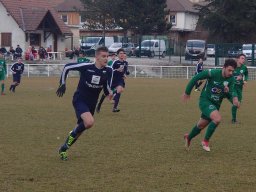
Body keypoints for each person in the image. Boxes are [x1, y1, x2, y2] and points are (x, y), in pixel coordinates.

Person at [57, 46, 113, 161]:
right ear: (96, 57)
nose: (106, 58)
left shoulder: (108, 70)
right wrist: (62, 83)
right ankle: (70, 136)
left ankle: (64, 148)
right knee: (89, 122)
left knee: (80, 130)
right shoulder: (86, 67)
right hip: (80, 99)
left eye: (107, 56)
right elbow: (67, 67)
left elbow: (106, 86)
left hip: (92, 103)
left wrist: (109, 94)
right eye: (103, 56)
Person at [182, 59, 239, 152]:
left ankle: (188, 137)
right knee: (217, 119)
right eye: (229, 70)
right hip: (205, 101)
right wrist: (187, 92)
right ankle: (205, 141)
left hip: (216, 105)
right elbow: (196, 78)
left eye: (233, 71)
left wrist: (234, 99)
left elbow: (230, 93)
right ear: (223, 67)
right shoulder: (212, 73)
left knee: (200, 126)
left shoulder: (231, 79)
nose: (231, 73)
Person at [96, 48, 129, 113]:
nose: (122, 55)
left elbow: (124, 70)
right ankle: (99, 105)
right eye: (120, 53)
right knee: (106, 93)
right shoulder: (115, 62)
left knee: (119, 90)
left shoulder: (126, 62)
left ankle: (115, 108)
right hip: (113, 79)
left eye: (123, 53)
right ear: (118, 55)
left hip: (120, 80)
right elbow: (110, 69)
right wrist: (116, 70)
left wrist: (124, 74)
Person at [227, 54, 248, 124]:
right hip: (233, 87)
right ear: (238, 59)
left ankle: (233, 102)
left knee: (237, 105)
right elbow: (227, 75)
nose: (243, 60)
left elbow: (246, 74)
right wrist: (235, 78)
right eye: (242, 58)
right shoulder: (233, 67)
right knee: (235, 103)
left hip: (240, 88)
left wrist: (245, 80)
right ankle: (233, 120)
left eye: (244, 59)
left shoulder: (244, 67)